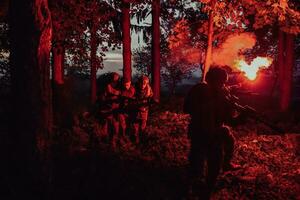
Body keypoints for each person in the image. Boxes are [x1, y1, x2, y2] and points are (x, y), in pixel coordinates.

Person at [184, 67, 241, 195]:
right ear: (212, 80)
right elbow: (187, 108)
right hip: (201, 133)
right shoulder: (200, 90)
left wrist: (241, 116)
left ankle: (207, 190)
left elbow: (230, 120)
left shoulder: (223, 94)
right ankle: (192, 189)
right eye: (221, 81)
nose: (223, 84)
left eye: (223, 82)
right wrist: (212, 104)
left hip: (213, 134)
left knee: (214, 165)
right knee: (197, 165)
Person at [99, 72, 121, 148]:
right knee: (106, 127)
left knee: (115, 127)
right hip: (107, 109)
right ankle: (105, 143)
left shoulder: (118, 85)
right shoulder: (108, 86)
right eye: (114, 78)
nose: (115, 80)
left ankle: (113, 143)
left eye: (116, 78)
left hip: (115, 110)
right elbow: (104, 97)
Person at [132, 75, 153, 144]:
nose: (143, 85)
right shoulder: (134, 89)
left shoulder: (149, 90)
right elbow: (132, 98)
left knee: (143, 127)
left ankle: (142, 141)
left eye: (145, 83)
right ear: (139, 82)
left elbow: (151, 97)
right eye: (142, 83)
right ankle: (135, 141)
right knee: (135, 127)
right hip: (136, 110)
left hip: (144, 111)